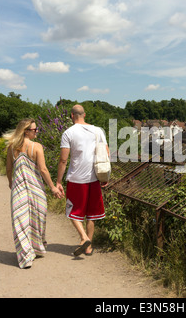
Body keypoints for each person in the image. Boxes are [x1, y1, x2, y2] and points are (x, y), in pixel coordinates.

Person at [5, 118, 64, 269]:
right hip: (36, 188)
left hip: (19, 188)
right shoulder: (36, 146)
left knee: (20, 219)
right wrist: (52, 187)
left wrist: (11, 182)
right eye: (34, 129)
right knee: (38, 218)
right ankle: (35, 248)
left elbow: (9, 169)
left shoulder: (11, 147)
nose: (37, 131)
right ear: (26, 131)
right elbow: (43, 170)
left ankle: (26, 254)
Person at [56, 104, 109, 257]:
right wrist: (105, 176)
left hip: (76, 179)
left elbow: (63, 160)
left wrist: (58, 181)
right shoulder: (98, 130)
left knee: (72, 211)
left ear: (72, 115)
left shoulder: (68, 133)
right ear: (84, 115)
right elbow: (105, 152)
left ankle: (83, 238)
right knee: (91, 214)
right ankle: (88, 247)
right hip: (94, 178)